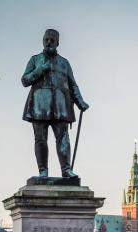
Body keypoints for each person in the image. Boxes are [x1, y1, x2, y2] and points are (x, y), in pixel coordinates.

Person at [21, 29, 89, 178]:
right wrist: (39, 70)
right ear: (43, 41)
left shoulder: (64, 63)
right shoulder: (35, 60)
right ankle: (43, 171)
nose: (49, 42)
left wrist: (80, 101)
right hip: (39, 106)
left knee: (63, 138)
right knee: (40, 139)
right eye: (46, 40)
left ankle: (66, 169)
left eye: (52, 40)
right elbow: (25, 80)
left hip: (61, 105)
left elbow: (73, 85)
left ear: (58, 42)